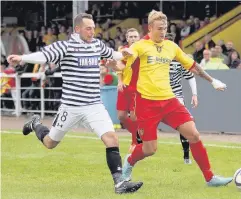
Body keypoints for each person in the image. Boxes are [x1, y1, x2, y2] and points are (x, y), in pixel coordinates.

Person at [7, 13, 143, 194]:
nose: (92, 31)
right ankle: (35, 124)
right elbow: (44, 55)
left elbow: (111, 53)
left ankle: (119, 183)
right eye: (88, 28)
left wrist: (122, 53)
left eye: (93, 28)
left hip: (94, 105)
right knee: (50, 143)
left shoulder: (96, 44)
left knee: (112, 138)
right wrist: (23, 58)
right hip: (71, 106)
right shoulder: (65, 46)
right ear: (77, 29)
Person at [120, 10, 233, 187]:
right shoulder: (140, 45)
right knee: (150, 149)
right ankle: (130, 161)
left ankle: (210, 178)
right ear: (150, 28)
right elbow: (128, 54)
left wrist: (212, 81)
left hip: (169, 101)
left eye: (165, 28)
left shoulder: (171, 47)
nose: (163, 31)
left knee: (194, 135)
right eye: (159, 28)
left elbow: (192, 66)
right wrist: (124, 55)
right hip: (147, 104)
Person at [116, 28, 142, 150]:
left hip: (138, 87)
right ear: (127, 38)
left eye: (135, 36)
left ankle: (135, 142)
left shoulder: (143, 50)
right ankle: (137, 134)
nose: (133, 39)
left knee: (134, 116)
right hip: (125, 86)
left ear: (139, 38)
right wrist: (120, 81)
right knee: (121, 116)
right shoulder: (122, 50)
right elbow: (119, 66)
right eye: (130, 36)